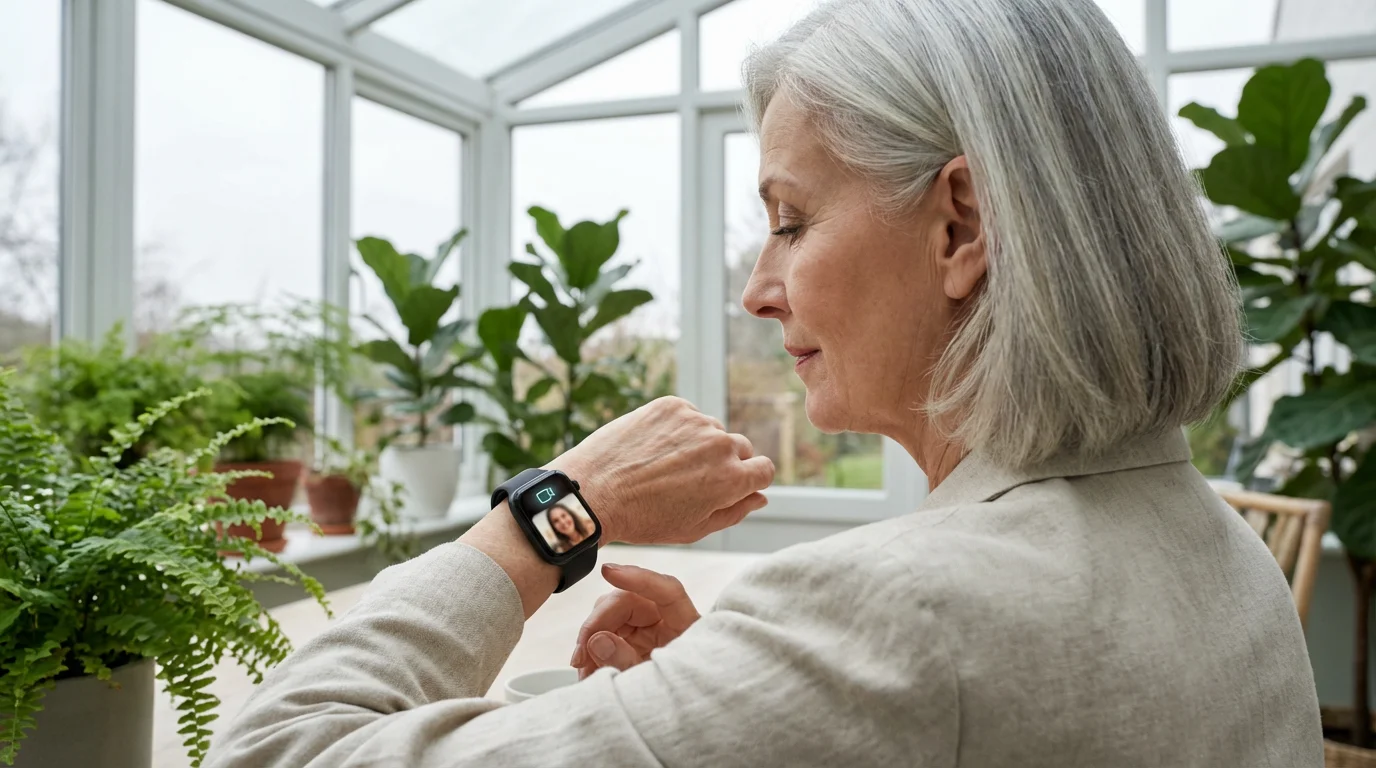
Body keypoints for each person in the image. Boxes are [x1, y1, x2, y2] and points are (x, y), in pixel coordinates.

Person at [205, 0, 1322, 765]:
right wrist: (734, 694)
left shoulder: (902, 614)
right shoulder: (1217, 551)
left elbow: (280, 748)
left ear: (958, 224)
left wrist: (551, 512)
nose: (756, 289)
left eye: (789, 220)